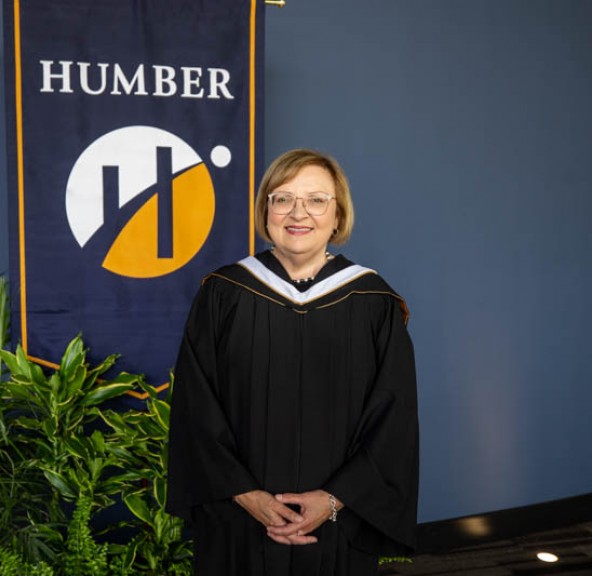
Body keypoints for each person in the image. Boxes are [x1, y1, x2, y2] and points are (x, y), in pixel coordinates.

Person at [166, 149, 419, 575]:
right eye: (282, 198)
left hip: (338, 524)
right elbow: (196, 405)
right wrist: (245, 494)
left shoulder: (374, 302)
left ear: (338, 216)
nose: (297, 213)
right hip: (239, 521)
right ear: (266, 210)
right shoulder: (224, 293)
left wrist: (336, 499)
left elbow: (393, 418)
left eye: (317, 200)